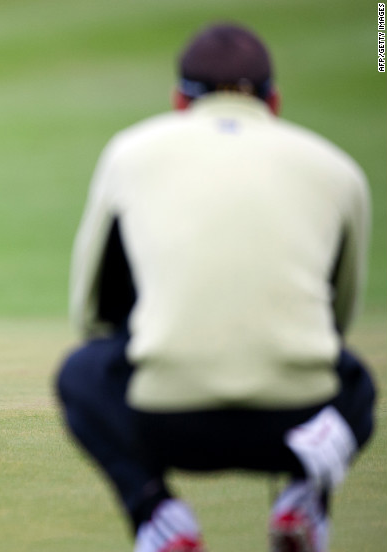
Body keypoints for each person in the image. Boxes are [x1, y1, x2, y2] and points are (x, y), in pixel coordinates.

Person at [54, 23, 375, 552]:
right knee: (359, 383)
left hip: (167, 422)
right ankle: (307, 497)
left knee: (80, 374)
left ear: (180, 100)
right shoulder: (338, 168)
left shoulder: (130, 153)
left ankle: (155, 511)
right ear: (274, 100)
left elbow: (92, 315)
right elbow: (337, 319)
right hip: (295, 427)